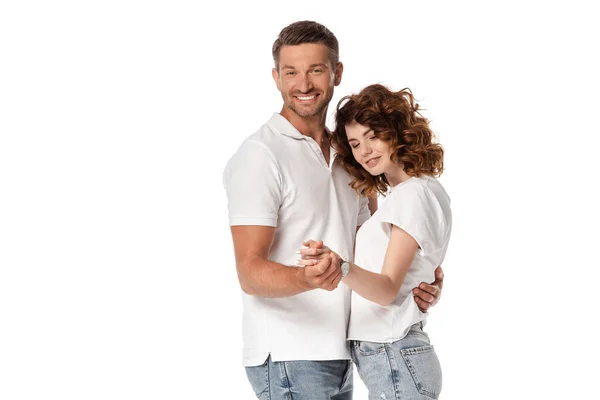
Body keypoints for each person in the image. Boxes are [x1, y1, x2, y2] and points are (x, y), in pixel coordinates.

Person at [222, 21, 444, 400]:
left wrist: (419, 281)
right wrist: (312, 277)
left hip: (348, 350)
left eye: (316, 70)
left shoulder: (350, 156)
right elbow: (250, 272)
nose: (303, 84)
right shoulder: (260, 156)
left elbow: (374, 248)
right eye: (291, 72)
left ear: (336, 73)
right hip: (290, 354)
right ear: (276, 78)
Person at [298, 84, 451, 399]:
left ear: (396, 131)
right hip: (394, 354)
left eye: (372, 136)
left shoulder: (412, 195)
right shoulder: (417, 191)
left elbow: (386, 290)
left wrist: (338, 265)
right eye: (354, 142)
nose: (364, 150)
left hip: (393, 354)